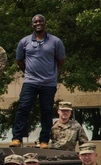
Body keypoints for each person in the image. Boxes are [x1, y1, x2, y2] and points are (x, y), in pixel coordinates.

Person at [11, 14, 66, 148]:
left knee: (46, 111)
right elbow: (19, 60)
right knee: (23, 108)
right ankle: (17, 138)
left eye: (40, 21)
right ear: (32, 24)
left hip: (48, 83)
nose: (38, 23)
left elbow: (61, 60)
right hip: (30, 82)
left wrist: (49, 72)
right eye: (35, 22)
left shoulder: (55, 41)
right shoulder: (24, 42)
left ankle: (44, 141)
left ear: (45, 23)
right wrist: (29, 72)